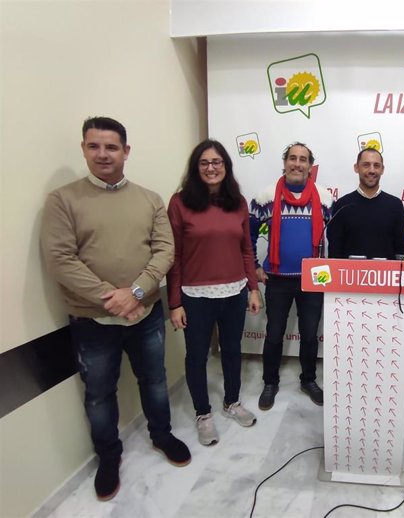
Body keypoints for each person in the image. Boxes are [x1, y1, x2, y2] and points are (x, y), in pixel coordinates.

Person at [40, 116, 191, 502]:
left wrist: (137, 292)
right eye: (94, 146)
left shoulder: (149, 199)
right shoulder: (63, 200)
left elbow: (165, 250)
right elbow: (60, 260)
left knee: (155, 380)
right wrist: (114, 296)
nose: (103, 154)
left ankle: (162, 434)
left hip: (146, 316)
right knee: (99, 394)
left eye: (111, 147)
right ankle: (108, 456)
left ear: (126, 151)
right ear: (84, 149)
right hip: (92, 320)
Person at [167, 140, 262, 446]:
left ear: (226, 166)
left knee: (232, 350)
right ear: (196, 168)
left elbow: (247, 250)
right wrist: (175, 303)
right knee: (196, 356)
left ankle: (231, 402)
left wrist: (253, 288)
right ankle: (203, 414)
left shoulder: (238, 202)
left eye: (217, 162)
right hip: (195, 297)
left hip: (234, 292)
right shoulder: (180, 203)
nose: (211, 168)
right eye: (204, 163)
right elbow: (175, 257)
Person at [249, 142, 332, 410]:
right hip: (277, 278)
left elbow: (335, 236)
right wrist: (253, 266)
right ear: (284, 163)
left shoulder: (325, 197)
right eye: (293, 158)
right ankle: (270, 382)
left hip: (314, 277)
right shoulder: (265, 196)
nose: (298, 164)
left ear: (310, 165)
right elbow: (247, 234)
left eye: (303, 159)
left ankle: (308, 379)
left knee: (309, 334)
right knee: (274, 333)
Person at [327, 148, 404, 259]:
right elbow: (334, 252)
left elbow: (402, 251)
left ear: (382, 169)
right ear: (356, 168)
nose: (372, 170)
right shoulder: (342, 205)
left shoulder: (395, 205)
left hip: (385, 275)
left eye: (376, 165)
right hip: (349, 275)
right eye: (366, 165)